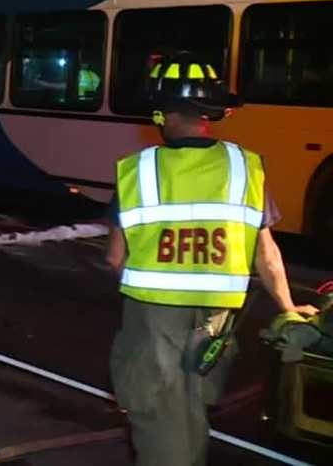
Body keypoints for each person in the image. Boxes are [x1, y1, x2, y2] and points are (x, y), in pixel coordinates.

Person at [105, 51, 318, 466]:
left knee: (161, 428)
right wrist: (288, 308)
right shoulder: (245, 167)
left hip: (153, 322)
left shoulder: (138, 170)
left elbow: (116, 257)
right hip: (217, 324)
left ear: (163, 114)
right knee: (193, 416)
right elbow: (266, 252)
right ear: (212, 112)